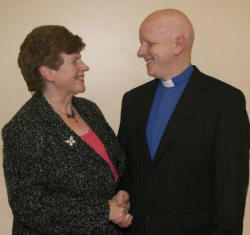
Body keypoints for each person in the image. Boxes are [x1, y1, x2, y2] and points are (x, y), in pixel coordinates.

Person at [118, 9, 250, 235]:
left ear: (178, 44)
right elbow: (126, 167)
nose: (141, 52)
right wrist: (123, 192)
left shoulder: (225, 101)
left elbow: (231, 186)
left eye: (149, 43)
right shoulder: (133, 100)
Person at [2, 25, 132, 235]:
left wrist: (121, 195)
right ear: (47, 72)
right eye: (75, 61)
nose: (85, 66)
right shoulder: (24, 127)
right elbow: (29, 206)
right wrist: (103, 211)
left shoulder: (88, 109)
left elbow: (113, 169)